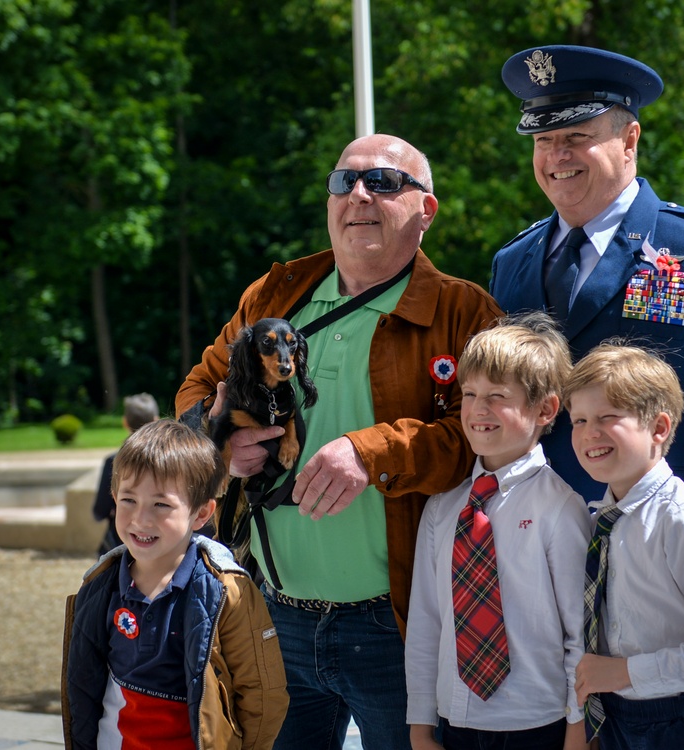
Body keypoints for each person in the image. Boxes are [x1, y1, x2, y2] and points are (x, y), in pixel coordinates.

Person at [176, 134, 502, 749]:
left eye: (382, 182)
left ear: (425, 210)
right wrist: (216, 442)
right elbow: (200, 385)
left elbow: (484, 437)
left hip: (397, 626)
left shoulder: (465, 312)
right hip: (272, 616)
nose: (357, 195)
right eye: (343, 182)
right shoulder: (273, 296)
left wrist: (371, 451)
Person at [491, 45, 684, 560]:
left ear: (629, 140)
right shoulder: (514, 260)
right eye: (543, 140)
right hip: (534, 549)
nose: (556, 156)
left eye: (576, 137)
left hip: (663, 539)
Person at [406, 312, 591, 750]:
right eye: (469, 394)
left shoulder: (561, 508)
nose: (478, 410)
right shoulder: (442, 508)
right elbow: (427, 622)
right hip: (455, 722)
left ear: (545, 409)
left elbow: (580, 633)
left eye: (497, 396)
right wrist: (419, 723)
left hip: (537, 723)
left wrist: (577, 728)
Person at [565, 343, 684, 749]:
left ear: (659, 428)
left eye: (607, 417)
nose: (588, 433)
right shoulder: (601, 519)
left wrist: (624, 673)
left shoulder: (682, 517)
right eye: (578, 419)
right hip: (620, 717)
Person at [62, 419, 289, 749]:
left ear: (201, 514)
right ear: (113, 499)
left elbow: (262, 696)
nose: (141, 519)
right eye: (129, 500)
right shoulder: (99, 588)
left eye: (161, 504)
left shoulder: (227, 593)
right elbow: (84, 687)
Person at [92, 392, 160, 556]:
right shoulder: (169, 463)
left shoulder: (113, 461)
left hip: (120, 546)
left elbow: (99, 512)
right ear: (156, 420)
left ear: (125, 422)